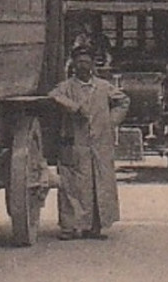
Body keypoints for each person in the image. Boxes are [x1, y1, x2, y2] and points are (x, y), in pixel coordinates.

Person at [47, 44, 131, 240]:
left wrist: (111, 122)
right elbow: (53, 96)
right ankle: (70, 228)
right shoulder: (66, 87)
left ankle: (95, 227)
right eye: (79, 62)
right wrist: (74, 107)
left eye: (87, 62)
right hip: (76, 144)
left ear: (93, 64)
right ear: (74, 65)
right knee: (72, 186)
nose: (83, 66)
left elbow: (123, 101)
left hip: (100, 145)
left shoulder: (103, 87)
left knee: (99, 184)